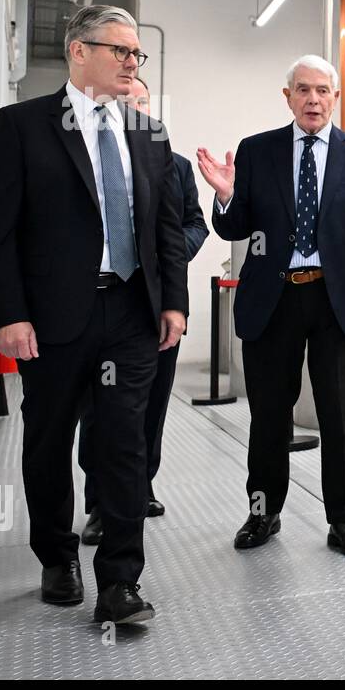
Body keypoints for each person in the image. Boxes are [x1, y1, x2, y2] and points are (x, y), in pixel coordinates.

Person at [0, 5, 188, 625]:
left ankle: (120, 580)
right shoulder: (21, 126)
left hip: (130, 311)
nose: (132, 62)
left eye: (136, 54)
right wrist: (8, 315)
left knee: (125, 443)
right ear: (77, 51)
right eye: (120, 50)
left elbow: (167, 228)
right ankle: (56, 555)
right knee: (47, 442)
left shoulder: (149, 134)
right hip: (51, 316)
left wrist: (172, 300)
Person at [196, 55, 345, 557]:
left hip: (332, 299)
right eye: (303, 90)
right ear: (288, 96)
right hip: (270, 299)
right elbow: (233, 229)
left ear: (336, 97)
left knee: (340, 416)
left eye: (323, 90)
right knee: (269, 416)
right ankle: (263, 513)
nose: (313, 99)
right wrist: (229, 197)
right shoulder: (257, 152)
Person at [80, 76, 208, 545]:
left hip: (156, 305)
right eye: (127, 100)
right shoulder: (90, 158)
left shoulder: (171, 164)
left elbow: (193, 225)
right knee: (101, 409)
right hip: (102, 302)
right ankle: (99, 503)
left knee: (150, 405)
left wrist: (166, 262)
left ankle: (139, 486)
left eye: (143, 103)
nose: (135, 109)